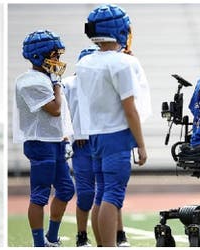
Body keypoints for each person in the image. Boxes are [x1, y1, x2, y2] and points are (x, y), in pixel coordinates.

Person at [75, 4, 151, 247]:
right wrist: (141, 145)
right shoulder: (122, 63)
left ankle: (101, 244)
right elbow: (130, 108)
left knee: (101, 194)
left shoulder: (85, 62)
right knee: (113, 195)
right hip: (115, 135)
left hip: (95, 134)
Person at [62, 46, 130, 247]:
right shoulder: (69, 85)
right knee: (85, 194)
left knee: (109, 191)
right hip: (82, 147)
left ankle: (119, 234)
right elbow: (62, 114)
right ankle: (82, 235)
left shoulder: (107, 84)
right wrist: (75, 134)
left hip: (105, 140)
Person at [13, 29, 75, 247]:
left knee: (67, 189)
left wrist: (65, 138)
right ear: (39, 56)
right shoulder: (30, 81)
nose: (58, 60)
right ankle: (39, 243)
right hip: (40, 143)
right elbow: (55, 109)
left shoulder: (44, 78)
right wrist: (57, 82)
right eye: (54, 55)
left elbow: (60, 118)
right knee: (40, 195)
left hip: (55, 142)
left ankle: (51, 237)